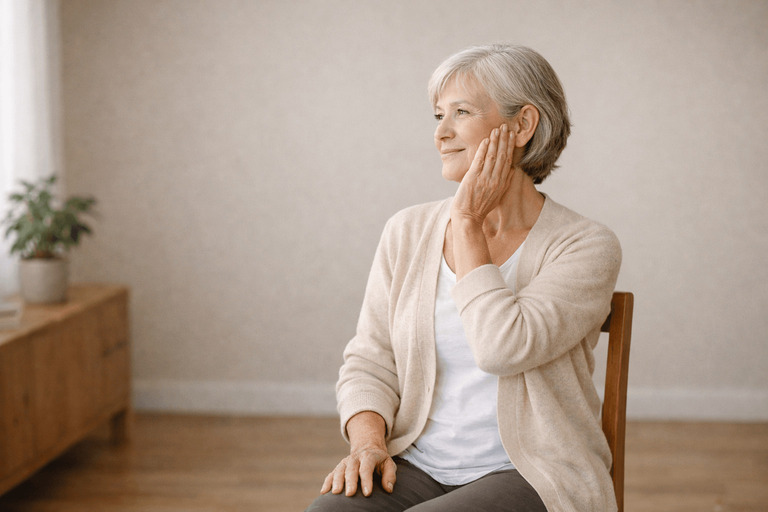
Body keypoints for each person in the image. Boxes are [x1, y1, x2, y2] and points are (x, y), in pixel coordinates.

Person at [305, 43, 622, 512]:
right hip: (418, 464)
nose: (441, 133)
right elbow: (371, 360)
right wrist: (368, 444)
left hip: (532, 472)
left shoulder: (584, 245)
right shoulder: (407, 230)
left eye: (461, 112)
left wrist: (468, 222)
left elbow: (502, 348)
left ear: (522, 125)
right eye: (438, 115)